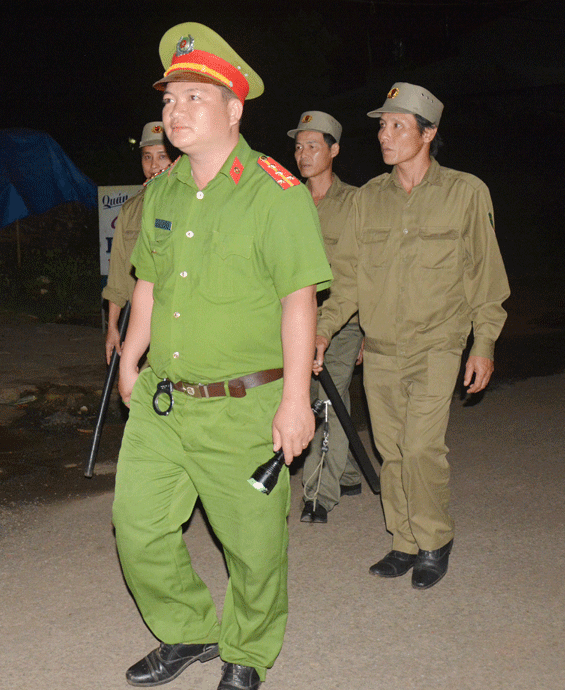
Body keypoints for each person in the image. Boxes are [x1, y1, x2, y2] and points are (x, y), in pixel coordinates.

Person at [112, 23, 332, 690]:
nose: (174, 112)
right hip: (164, 398)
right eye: (168, 100)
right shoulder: (165, 190)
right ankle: (189, 630)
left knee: (254, 548)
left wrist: (296, 401)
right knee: (138, 528)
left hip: (245, 404)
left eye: (192, 99)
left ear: (234, 109)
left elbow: (301, 299)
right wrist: (130, 354)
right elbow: (148, 282)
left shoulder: (277, 193)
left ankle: (247, 651)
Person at [314, 82, 509, 589]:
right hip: (379, 350)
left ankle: (434, 538)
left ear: (428, 134)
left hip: (438, 344)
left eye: (397, 125)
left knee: (421, 447)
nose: (384, 134)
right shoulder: (368, 200)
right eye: (382, 125)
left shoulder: (466, 193)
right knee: (392, 449)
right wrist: (322, 330)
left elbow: (485, 278)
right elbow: (349, 279)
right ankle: (402, 540)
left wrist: (483, 344)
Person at [287, 111, 363, 524]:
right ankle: (348, 471)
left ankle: (318, 494)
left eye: (313, 145)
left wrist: (366, 330)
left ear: (334, 150)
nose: (303, 154)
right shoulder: (286, 199)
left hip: (342, 321)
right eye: (298, 147)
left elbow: (361, 272)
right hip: (293, 321)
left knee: (326, 400)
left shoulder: (354, 203)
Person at [103, 121, 172, 363]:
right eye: (147, 157)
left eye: (162, 156)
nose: (154, 165)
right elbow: (118, 273)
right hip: (140, 323)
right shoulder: (131, 210)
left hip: (178, 323)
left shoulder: (192, 203)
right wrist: (113, 326)